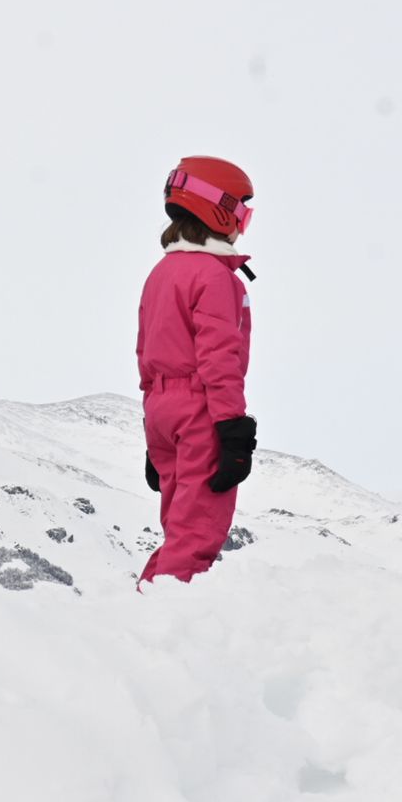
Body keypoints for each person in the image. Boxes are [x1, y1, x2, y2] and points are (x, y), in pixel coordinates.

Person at [136, 156, 258, 584]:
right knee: (197, 534)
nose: (244, 221)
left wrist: (152, 431)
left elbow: (144, 350)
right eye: (242, 208)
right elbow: (218, 356)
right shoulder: (214, 277)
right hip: (200, 408)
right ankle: (160, 621)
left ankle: (143, 606)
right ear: (218, 208)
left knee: (178, 531)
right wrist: (232, 426)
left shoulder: (161, 274)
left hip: (161, 413)